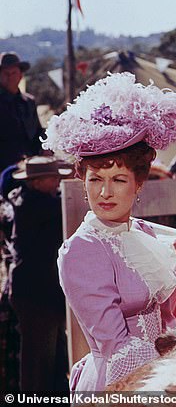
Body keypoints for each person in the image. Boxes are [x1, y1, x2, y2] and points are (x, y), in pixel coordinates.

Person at [42, 72, 176, 391]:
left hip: (160, 373)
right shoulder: (81, 250)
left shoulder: (144, 233)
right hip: (120, 381)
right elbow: (116, 347)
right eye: (95, 179)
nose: (105, 192)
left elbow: (166, 322)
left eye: (119, 180)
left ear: (138, 185)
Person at [8, 156, 72, 392]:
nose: (58, 180)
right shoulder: (35, 205)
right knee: (39, 363)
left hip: (41, 292)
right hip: (36, 294)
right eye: (51, 177)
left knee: (53, 359)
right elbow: (66, 205)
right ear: (36, 182)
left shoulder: (31, 200)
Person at [0, 52, 44, 172]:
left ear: (20, 75)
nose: (9, 77)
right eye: (5, 73)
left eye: (13, 73)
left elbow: (38, 132)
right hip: (5, 168)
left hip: (31, 165)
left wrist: (45, 149)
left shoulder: (29, 102)